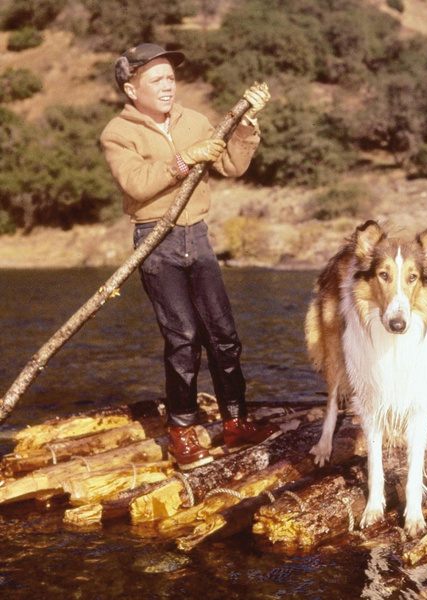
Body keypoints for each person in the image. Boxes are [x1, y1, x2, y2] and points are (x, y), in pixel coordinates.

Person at [100, 43, 278, 470]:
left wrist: (244, 128)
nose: (167, 86)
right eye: (156, 79)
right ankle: (182, 433)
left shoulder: (194, 120)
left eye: (171, 78)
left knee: (224, 336)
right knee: (182, 340)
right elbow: (138, 184)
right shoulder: (117, 133)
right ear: (130, 89)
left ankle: (236, 424)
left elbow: (233, 166)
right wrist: (183, 162)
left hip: (197, 239)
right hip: (155, 243)